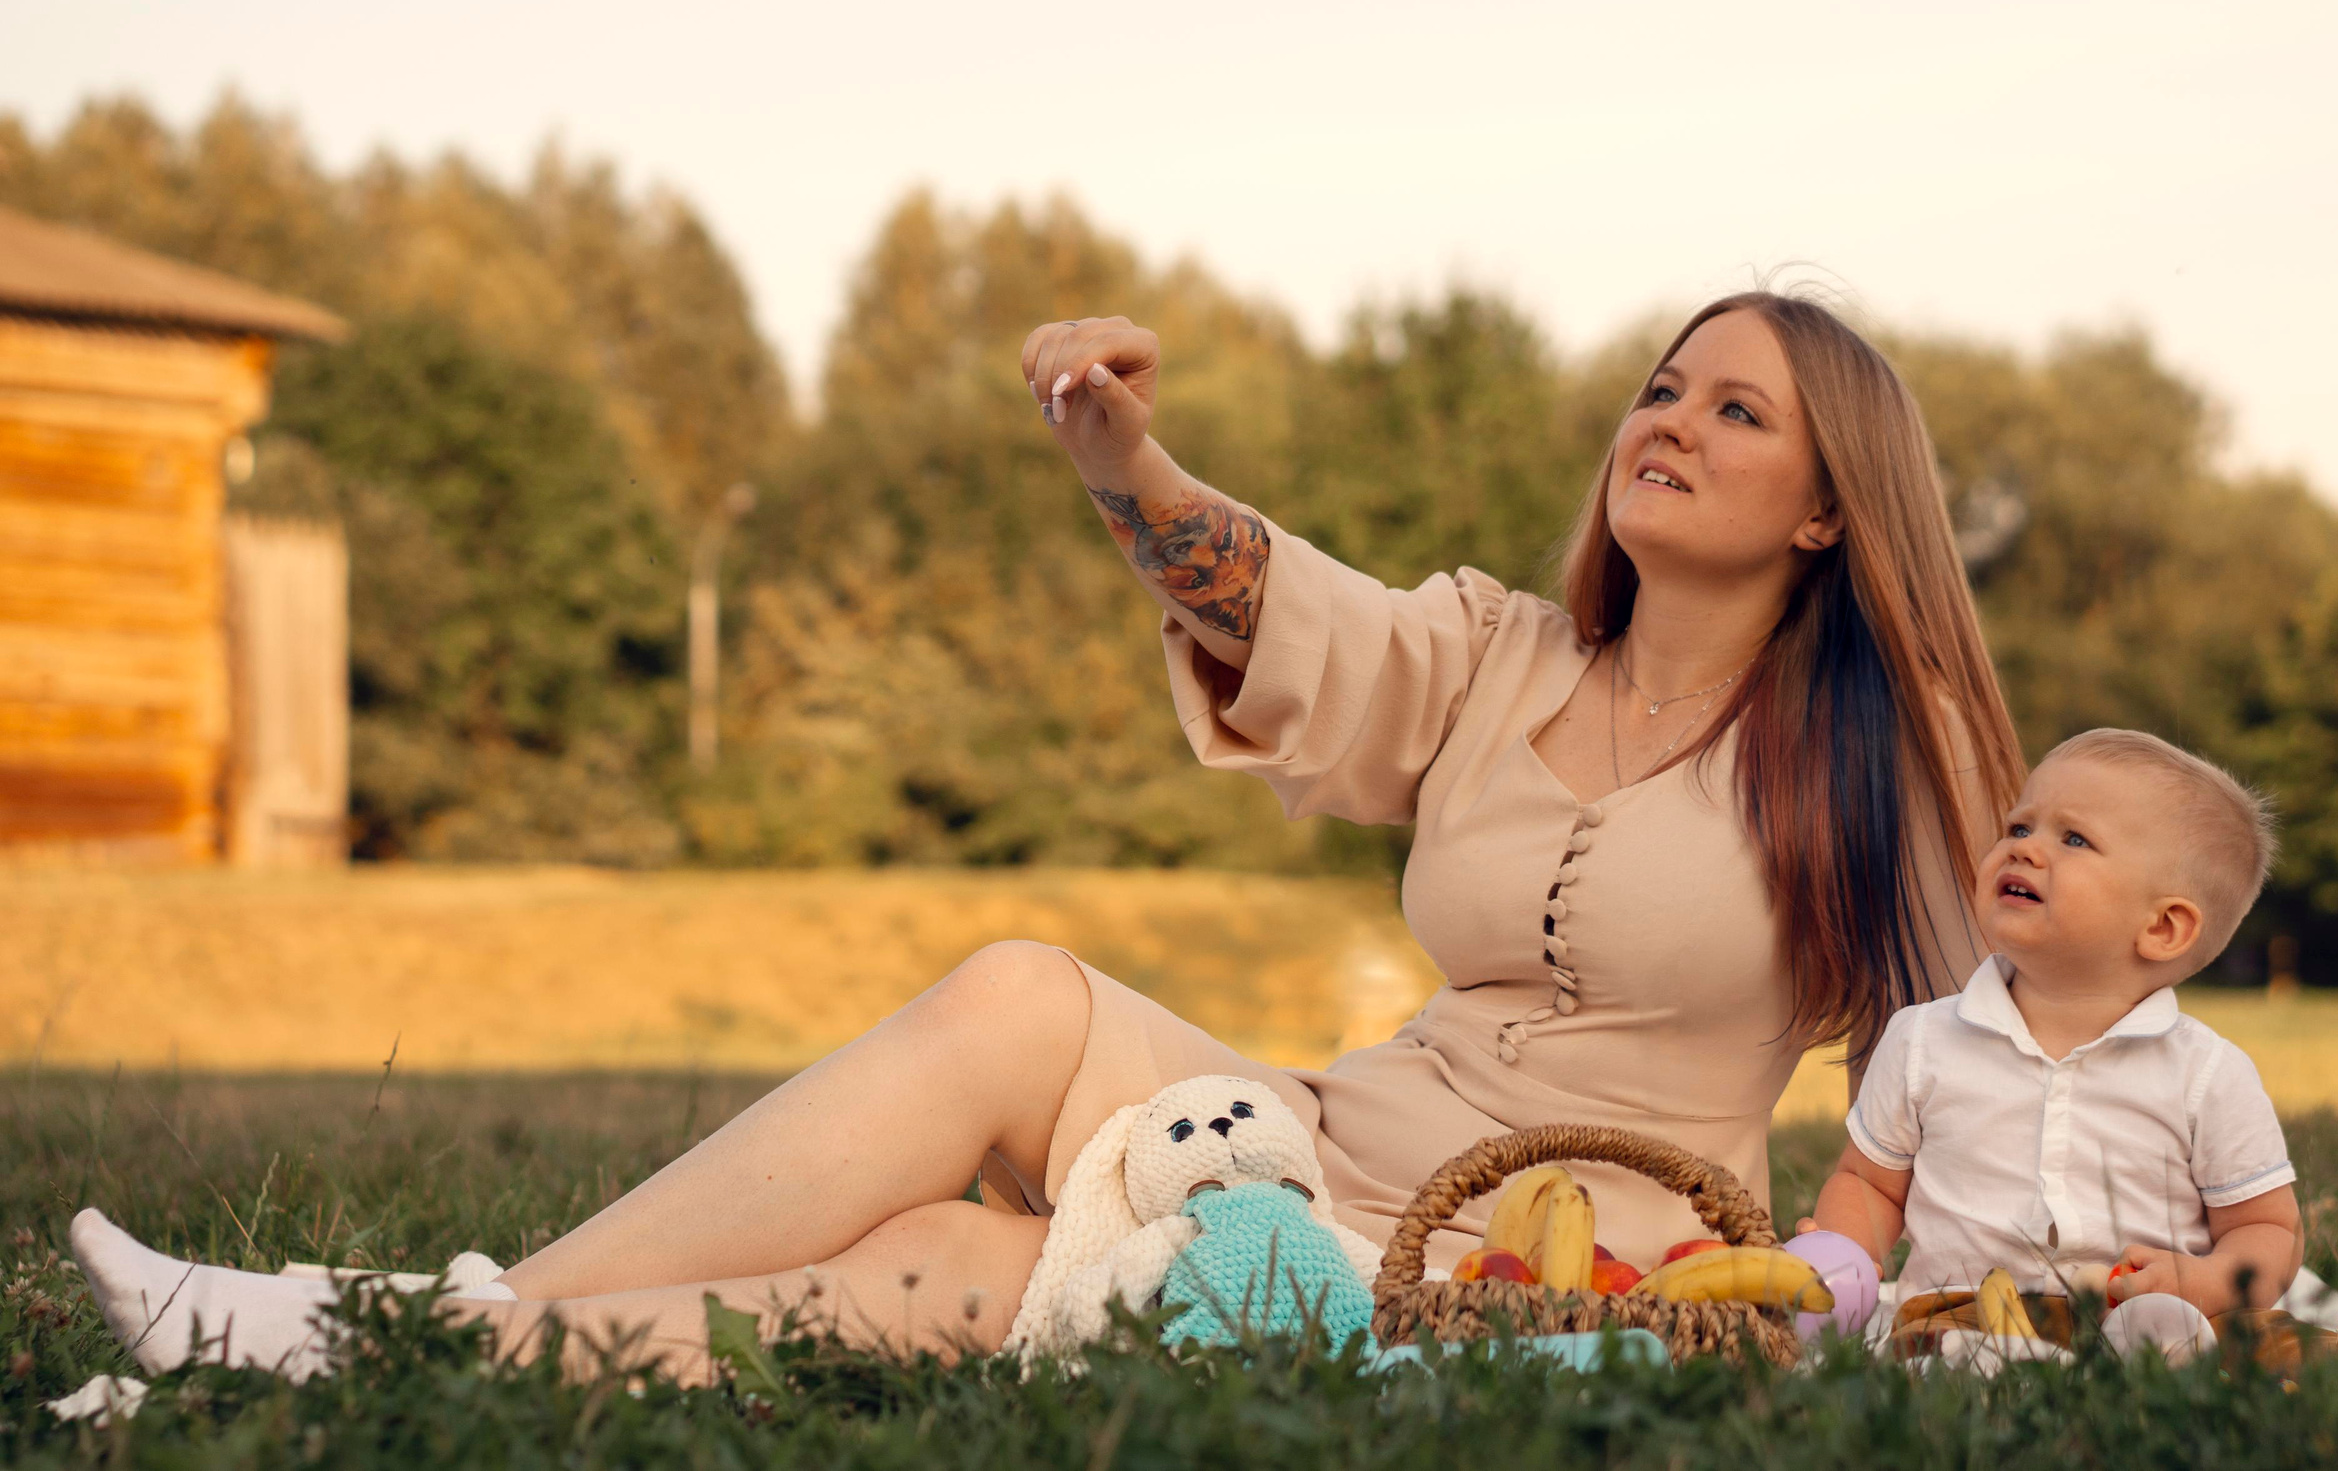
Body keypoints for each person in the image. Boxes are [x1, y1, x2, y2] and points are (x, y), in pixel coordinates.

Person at [72, 292, 2022, 1383]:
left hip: (1542, 1262)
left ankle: (360, 1345)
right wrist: (1122, 461)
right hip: (1326, 1132)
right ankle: (438, 1318)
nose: (1666, 418)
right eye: (1661, 385)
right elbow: (1289, 611)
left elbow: (1989, 1056)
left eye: (1736, 411)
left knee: (956, 1262)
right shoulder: (1495, 650)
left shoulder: (1885, 743)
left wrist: (1918, 1295)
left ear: (1827, 508)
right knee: (1021, 991)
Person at [1795, 727, 2338, 1372]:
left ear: (2162, 927)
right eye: (2019, 827)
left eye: (2073, 839)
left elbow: (2267, 1229)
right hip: (1970, 1306)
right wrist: (1845, 1250)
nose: (2024, 849)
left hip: (2158, 1308)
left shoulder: (2206, 1073)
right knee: (1940, 1349)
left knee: (2259, 1341)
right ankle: (2012, 1370)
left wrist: (2206, 1280)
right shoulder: (1922, 1040)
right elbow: (1869, 1184)